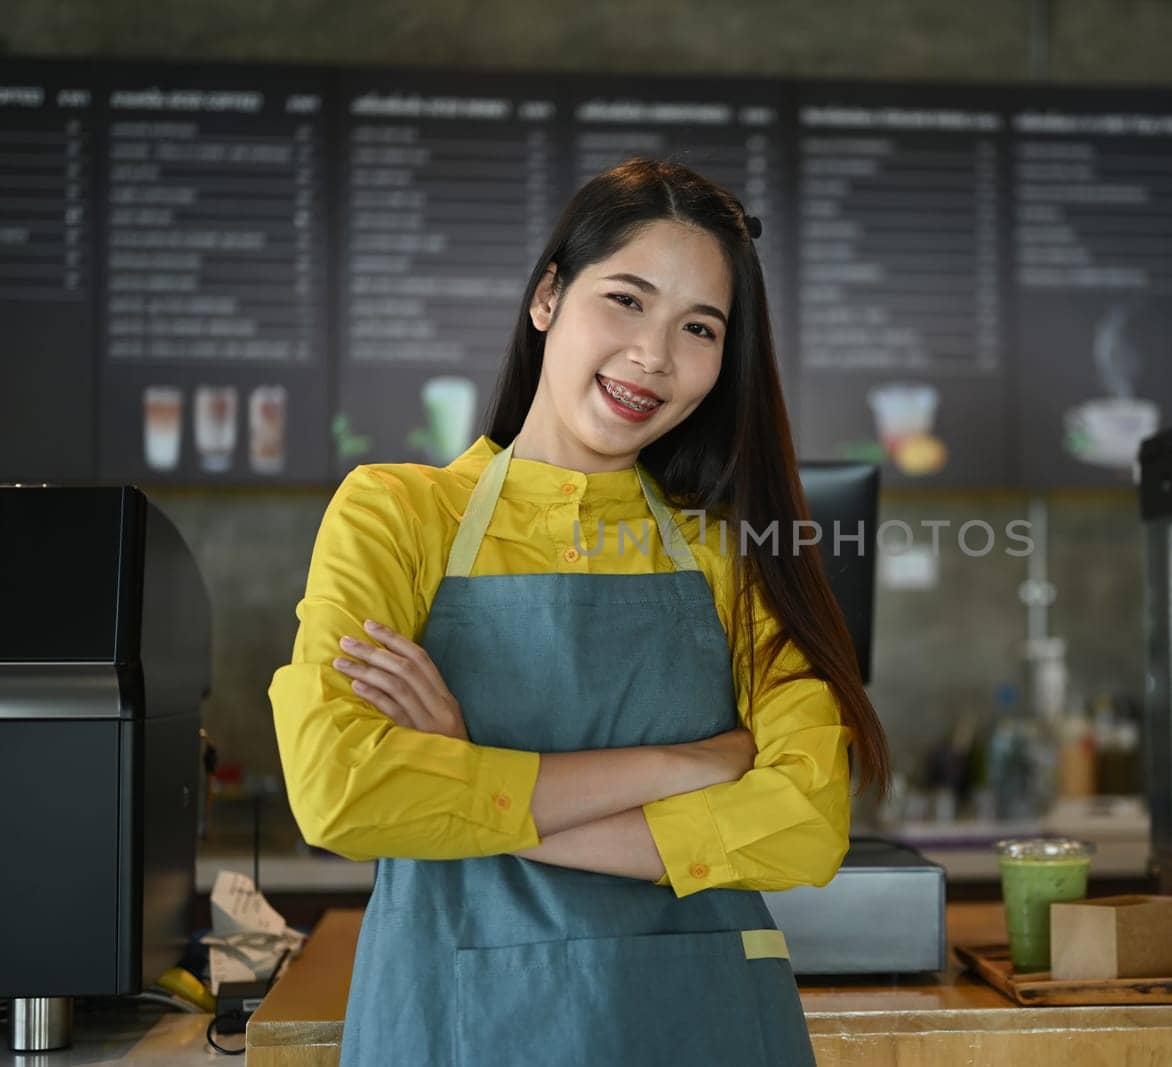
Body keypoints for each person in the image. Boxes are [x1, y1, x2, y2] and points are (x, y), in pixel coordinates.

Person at [268, 158, 889, 1066]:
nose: (655, 356)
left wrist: (466, 774)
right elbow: (341, 791)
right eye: (628, 300)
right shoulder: (396, 514)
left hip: (702, 1025)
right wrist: (685, 764)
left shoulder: (732, 552)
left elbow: (804, 821)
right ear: (548, 296)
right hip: (461, 1026)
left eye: (699, 327)